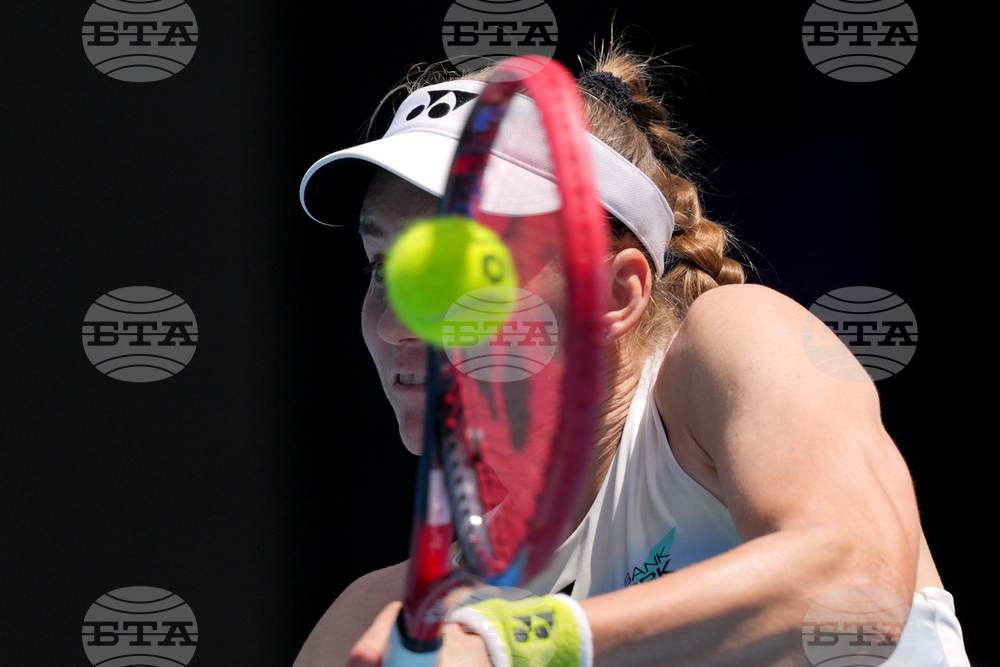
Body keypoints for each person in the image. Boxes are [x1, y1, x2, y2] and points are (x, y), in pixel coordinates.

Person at [294, 43, 970, 667]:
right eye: (382, 267)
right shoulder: (375, 619)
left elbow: (855, 589)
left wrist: (511, 645)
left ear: (615, 293)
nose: (395, 325)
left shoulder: (738, 336)